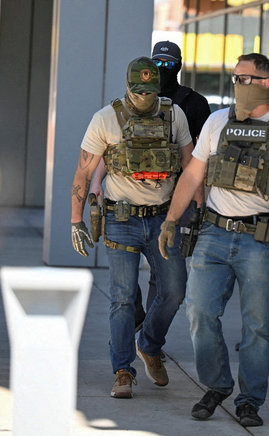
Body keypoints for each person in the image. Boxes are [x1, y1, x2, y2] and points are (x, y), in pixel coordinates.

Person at [157, 53, 269, 427]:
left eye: (245, 78)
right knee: (198, 312)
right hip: (213, 232)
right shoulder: (217, 121)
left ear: (265, 83)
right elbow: (193, 175)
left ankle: (249, 400)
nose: (238, 84)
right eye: (235, 78)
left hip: (260, 239)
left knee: (257, 324)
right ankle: (217, 385)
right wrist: (171, 220)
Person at [70, 56, 198, 399]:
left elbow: (191, 167)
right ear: (128, 86)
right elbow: (83, 172)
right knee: (123, 299)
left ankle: (150, 345)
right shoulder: (106, 118)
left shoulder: (174, 115)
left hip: (163, 219)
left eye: (150, 92)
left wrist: (196, 213)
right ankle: (123, 370)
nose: (144, 98)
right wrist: (75, 220)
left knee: (174, 291)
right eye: (138, 92)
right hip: (120, 219)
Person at [90, 41, 210, 329]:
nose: (162, 70)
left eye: (169, 64)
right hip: (130, 198)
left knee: (166, 277)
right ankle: (139, 322)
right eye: (157, 64)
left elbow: (199, 156)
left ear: (179, 66)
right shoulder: (132, 102)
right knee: (126, 284)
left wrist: (199, 199)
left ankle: (151, 338)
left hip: (174, 198)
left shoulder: (192, 104)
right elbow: (118, 149)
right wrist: (96, 180)